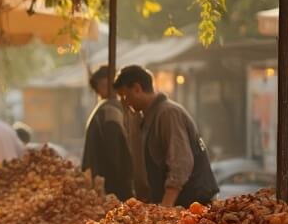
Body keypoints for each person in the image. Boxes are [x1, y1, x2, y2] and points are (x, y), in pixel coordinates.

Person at [114, 65, 218, 207]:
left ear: (137, 88)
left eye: (125, 96)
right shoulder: (143, 117)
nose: (124, 103)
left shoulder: (168, 114)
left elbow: (180, 162)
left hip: (193, 204)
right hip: (169, 205)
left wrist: (166, 205)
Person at [81, 65, 135, 201]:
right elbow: (115, 152)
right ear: (97, 88)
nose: (109, 87)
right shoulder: (110, 109)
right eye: (104, 84)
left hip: (100, 182)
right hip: (110, 185)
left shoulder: (106, 108)